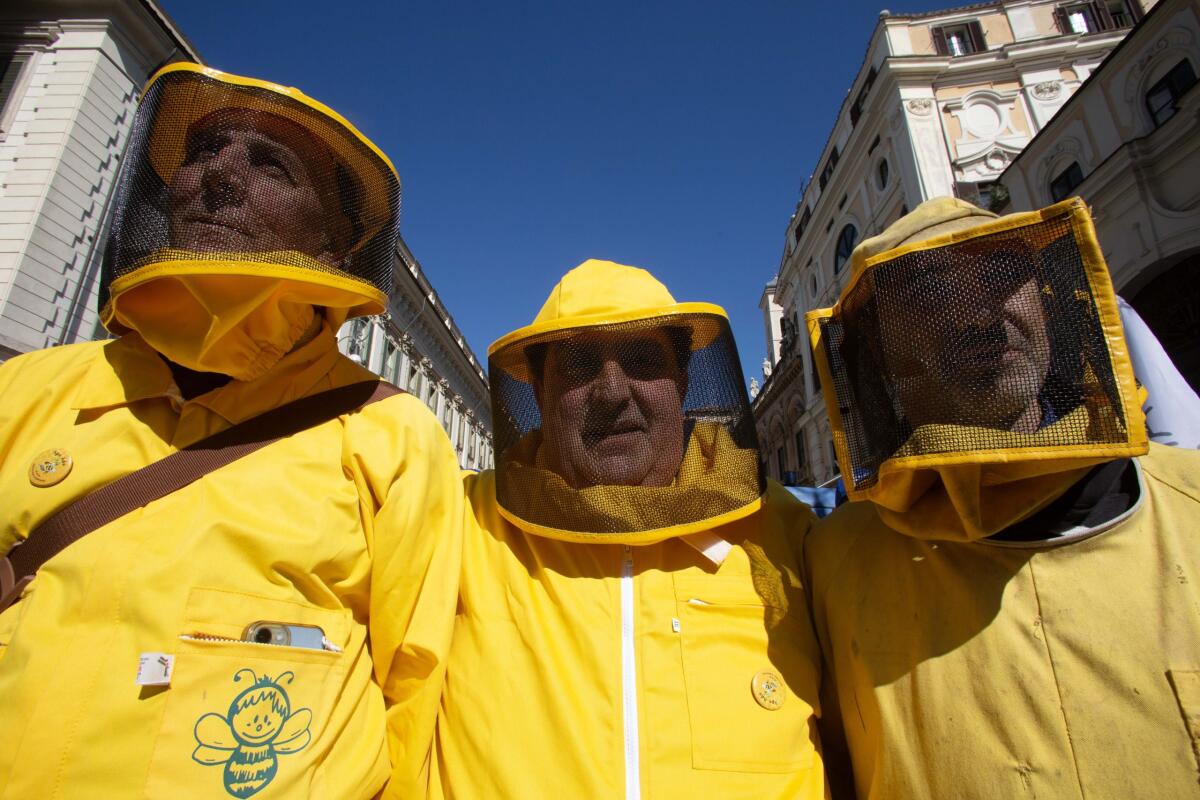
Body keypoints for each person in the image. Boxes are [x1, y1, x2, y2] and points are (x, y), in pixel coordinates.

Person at [0, 63, 464, 798]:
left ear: (335, 239)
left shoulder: (389, 436)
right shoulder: (20, 392)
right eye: (201, 152)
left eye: (268, 162)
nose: (215, 177)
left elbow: (420, 685)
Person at [374, 259, 826, 798]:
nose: (612, 392)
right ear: (539, 390)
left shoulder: (786, 536)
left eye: (641, 360)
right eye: (581, 365)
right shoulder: (459, 522)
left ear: (680, 381)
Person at [803, 196, 1200, 798]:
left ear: (1045, 301)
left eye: (1002, 276)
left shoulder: (1191, 502)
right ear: (880, 349)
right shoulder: (832, 561)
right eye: (931, 297)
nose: (979, 317)